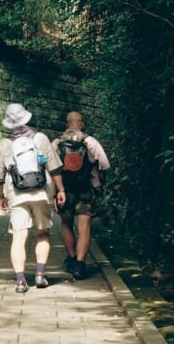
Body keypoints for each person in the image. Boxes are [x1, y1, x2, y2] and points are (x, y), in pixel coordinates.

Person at [0, 103, 66, 293]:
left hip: (16, 193)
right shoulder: (40, 139)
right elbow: (54, 168)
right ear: (26, 118)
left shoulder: (5, 144)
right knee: (42, 233)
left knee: (19, 236)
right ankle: (40, 275)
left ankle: (21, 280)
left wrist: (1, 196)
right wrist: (60, 190)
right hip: (42, 192)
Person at [51, 111, 110, 280]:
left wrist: (54, 193)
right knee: (84, 228)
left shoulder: (56, 143)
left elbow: (49, 168)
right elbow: (104, 165)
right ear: (82, 123)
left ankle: (70, 259)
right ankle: (80, 265)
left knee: (66, 224)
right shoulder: (90, 141)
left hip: (65, 191)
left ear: (67, 124)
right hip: (85, 191)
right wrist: (99, 187)